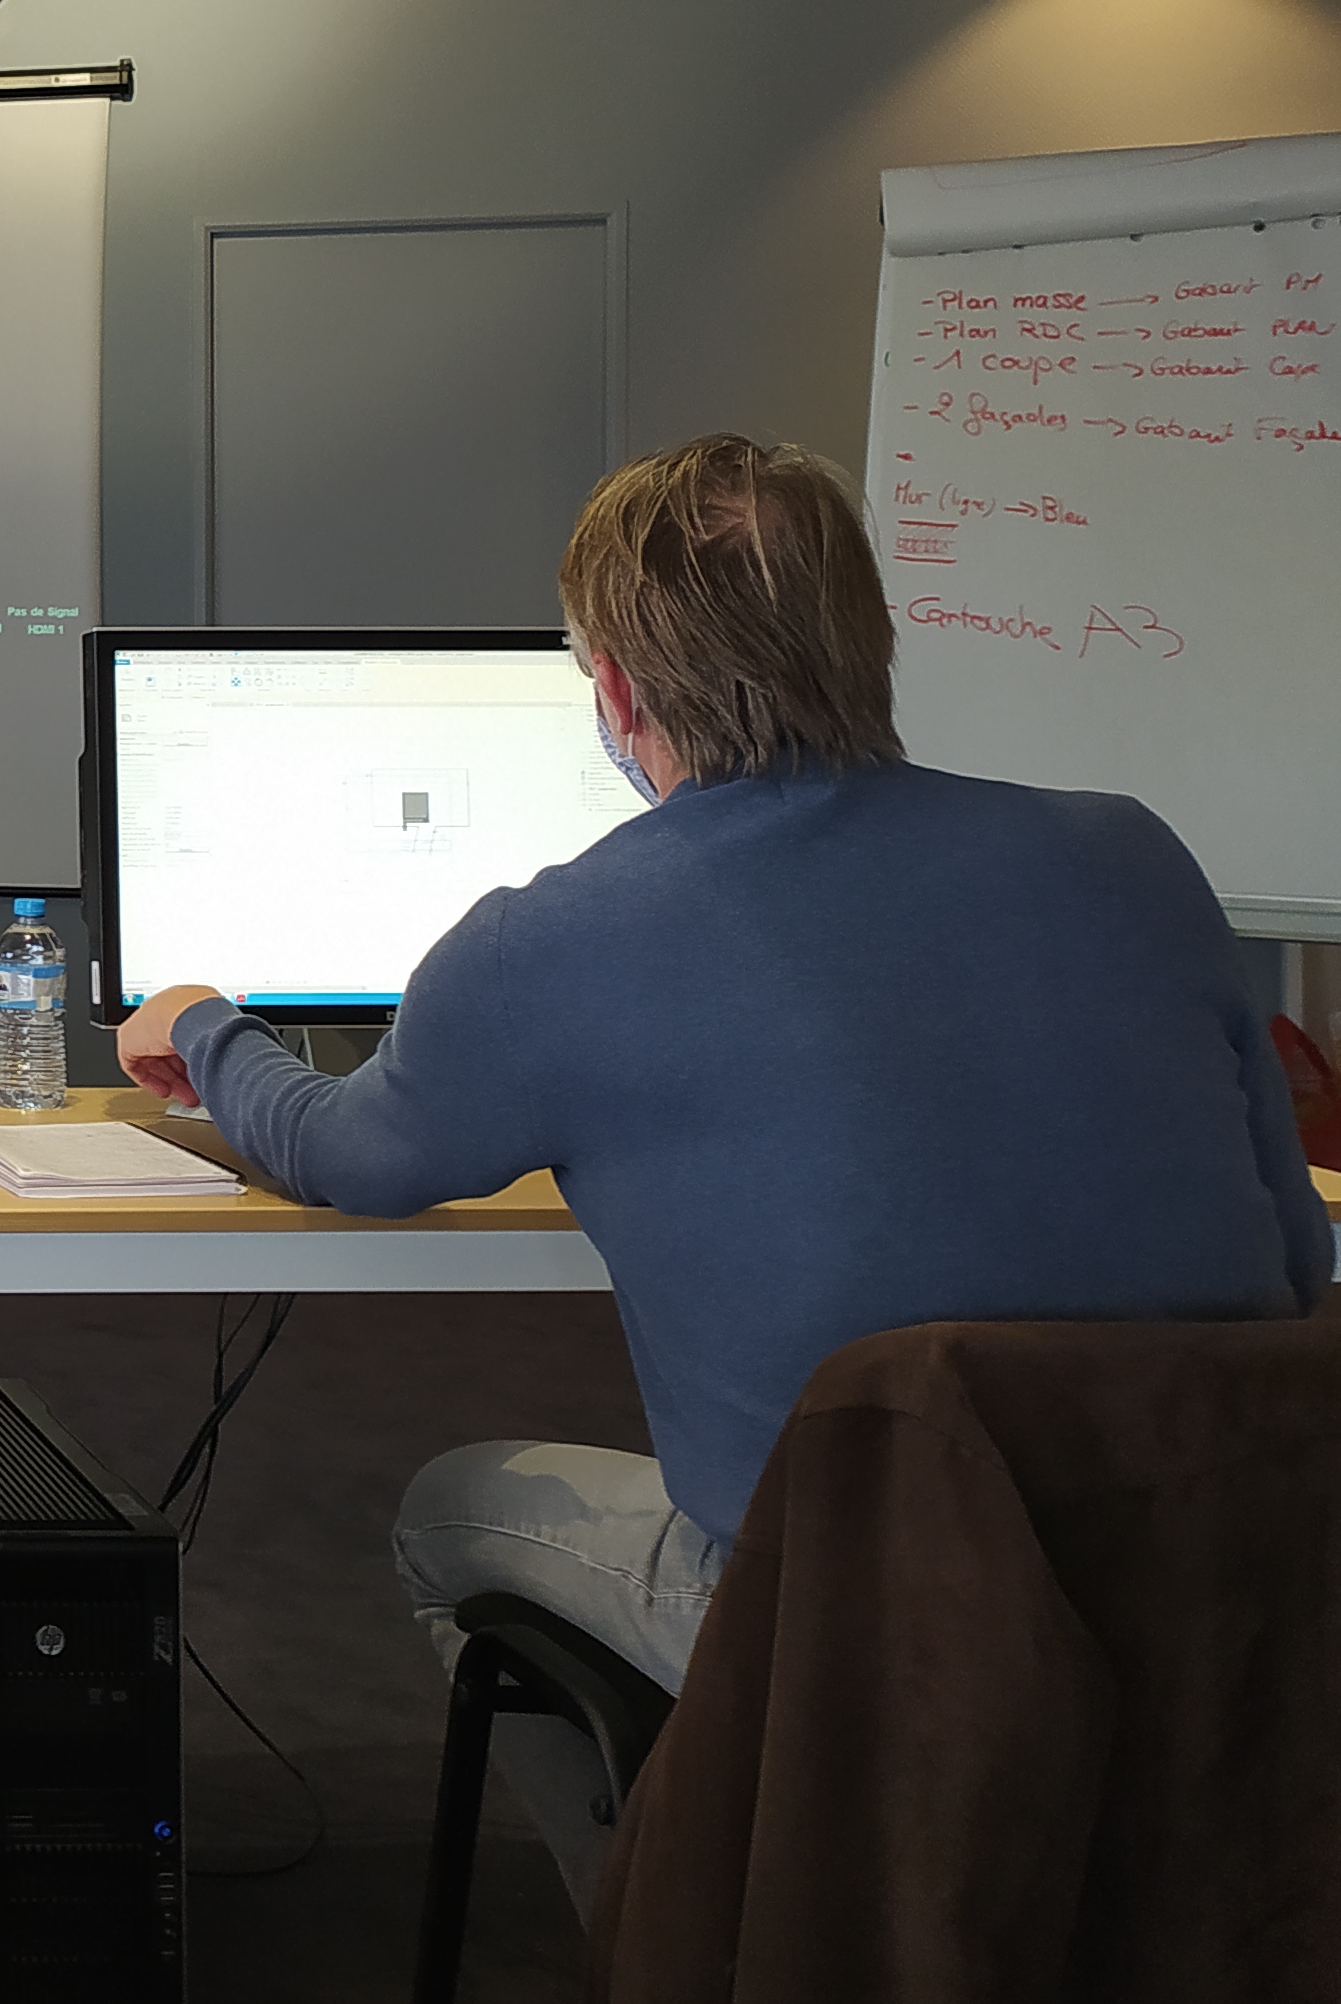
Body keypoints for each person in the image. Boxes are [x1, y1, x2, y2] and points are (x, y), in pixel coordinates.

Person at [114, 435, 1329, 1903]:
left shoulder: (555, 939)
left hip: (855, 1619)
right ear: (868, 637)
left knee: (448, 1510)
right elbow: (1297, 1263)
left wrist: (204, 1028)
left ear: (619, 691)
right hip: (1233, 1596)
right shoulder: (1130, 856)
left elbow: (349, 1156)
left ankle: (685, 1972)